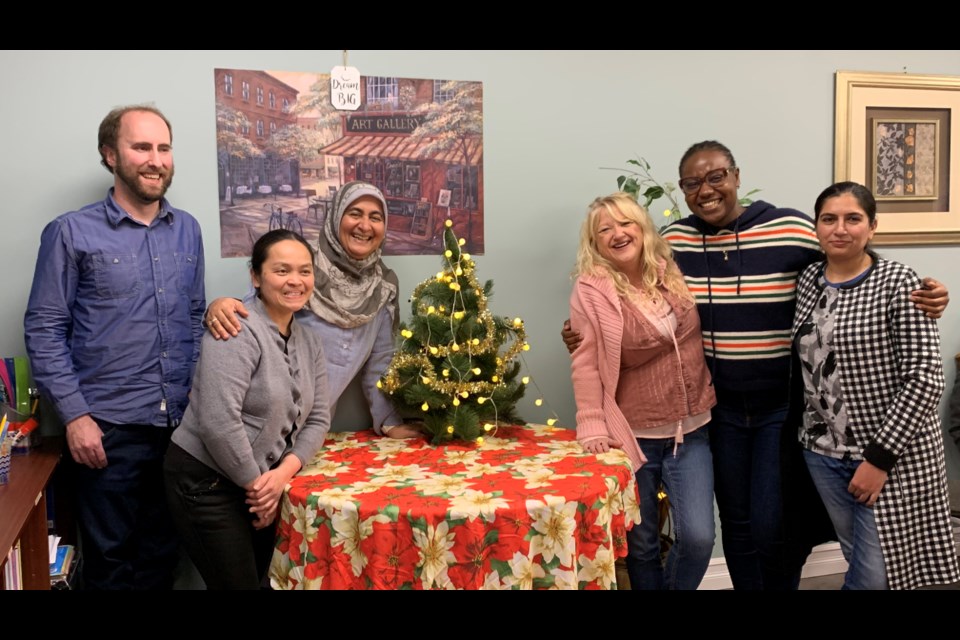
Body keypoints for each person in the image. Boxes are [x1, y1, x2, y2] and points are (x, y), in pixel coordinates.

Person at [562, 140, 950, 590]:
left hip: (778, 410)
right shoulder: (675, 245)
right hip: (719, 411)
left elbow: (844, 256)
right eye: (692, 183)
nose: (705, 189)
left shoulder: (790, 227)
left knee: (771, 524)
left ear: (736, 176)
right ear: (684, 191)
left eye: (715, 177)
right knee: (736, 522)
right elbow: (618, 298)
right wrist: (578, 332)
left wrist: (919, 295)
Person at [24, 105, 205, 589]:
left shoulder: (187, 229)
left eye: (163, 148)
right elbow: (44, 329)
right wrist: (76, 418)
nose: (155, 159)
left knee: (164, 557)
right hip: (106, 432)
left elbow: (192, 316)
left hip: (178, 430)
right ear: (111, 155)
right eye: (141, 147)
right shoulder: (71, 232)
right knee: (110, 564)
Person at [793, 181, 959, 590]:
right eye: (829, 219)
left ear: (872, 227)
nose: (840, 228)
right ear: (816, 227)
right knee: (857, 556)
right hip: (823, 453)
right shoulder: (808, 281)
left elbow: (925, 379)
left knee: (872, 576)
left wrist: (878, 460)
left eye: (853, 219)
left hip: (889, 456)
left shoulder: (899, 283)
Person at [164, 230, 331, 590]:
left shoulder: (309, 341)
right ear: (255, 276)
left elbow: (318, 416)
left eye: (305, 271)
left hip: (261, 481)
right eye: (282, 270)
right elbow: (217, 421)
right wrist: (258, 489)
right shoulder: (235, 328)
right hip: (205, 480)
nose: (295, 281)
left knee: (264, 580)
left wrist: (284, 472)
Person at [570, 193, 716, 590]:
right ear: (595, 242)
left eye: (626, 223)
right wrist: (592, 425)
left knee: (700, 538)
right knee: (642, 546)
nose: (618, 233)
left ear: (642, 227)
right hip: (632, 437)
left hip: (693, 431)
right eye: (606, 229)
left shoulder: (669, 271)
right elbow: (585, 361)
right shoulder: (592, 290)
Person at [205, 180, 415, 438]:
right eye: (354, 213)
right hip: (252, 428)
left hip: (309, 433)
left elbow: (380, 364)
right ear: (336, 216)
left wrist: (389, 422)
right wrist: (219, 306)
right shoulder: (302, 267)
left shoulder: (383, 287)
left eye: (375, 217)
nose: (364, 225)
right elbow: (254, 318)